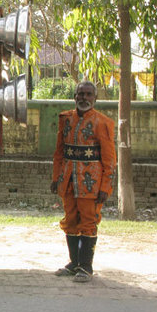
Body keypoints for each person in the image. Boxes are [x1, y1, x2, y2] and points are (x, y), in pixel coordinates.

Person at [50, 80, 116, 283]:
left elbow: (109, 159)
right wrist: (55, 177)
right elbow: (59, 151)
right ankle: (74, 263)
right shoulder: (66, 119)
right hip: (68, 178)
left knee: (88, 221)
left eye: (88, 94)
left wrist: (106, 186)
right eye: (81, 94)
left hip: (91, 182)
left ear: (95, 98)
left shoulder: (103, 122)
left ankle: (86, 266)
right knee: (70, 220)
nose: (84, 98)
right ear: (75, 96)